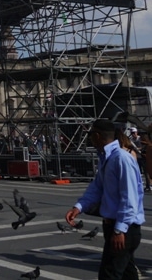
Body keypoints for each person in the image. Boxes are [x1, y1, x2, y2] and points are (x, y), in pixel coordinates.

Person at [65, 119, 144, 280]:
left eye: (91, 135)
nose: (90, 139)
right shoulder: (107, 157)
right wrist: (79, 207)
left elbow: (129, 198)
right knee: (127, 273)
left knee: (109, 275)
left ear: (98, 136)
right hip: (115, 225)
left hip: (124, 228)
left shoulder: (121, 158)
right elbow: (97, 187)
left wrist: (119, 229)